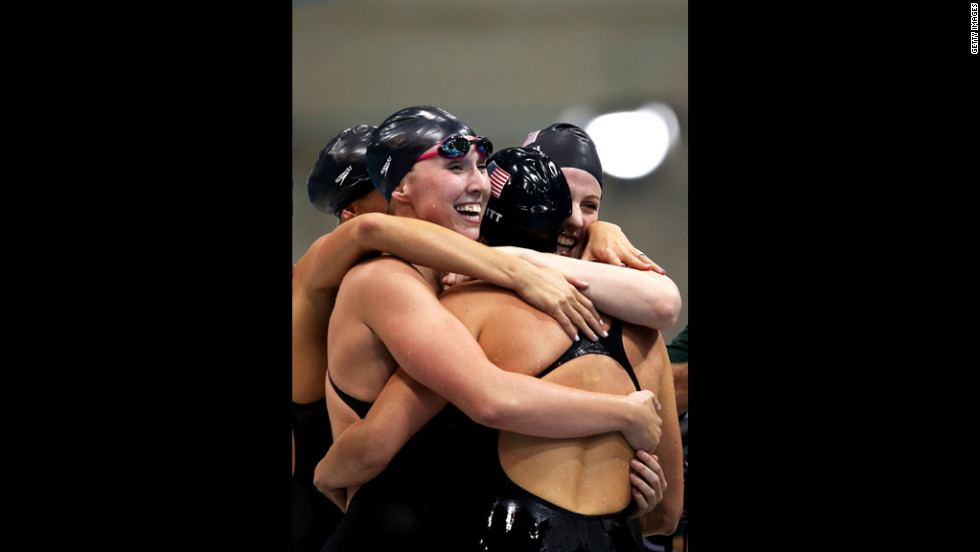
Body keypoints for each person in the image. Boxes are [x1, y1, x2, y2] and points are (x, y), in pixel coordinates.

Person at [314, 106, 672, 552]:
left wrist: (627, 490)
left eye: (482, 167)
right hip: (389, 530)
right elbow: (489, 399)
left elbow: (663, 514)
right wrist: (627, 415)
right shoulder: (385, 280)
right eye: (455, 167)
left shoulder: (454, 288)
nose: (477, 182)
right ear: (400, 188)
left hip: (448, 528)